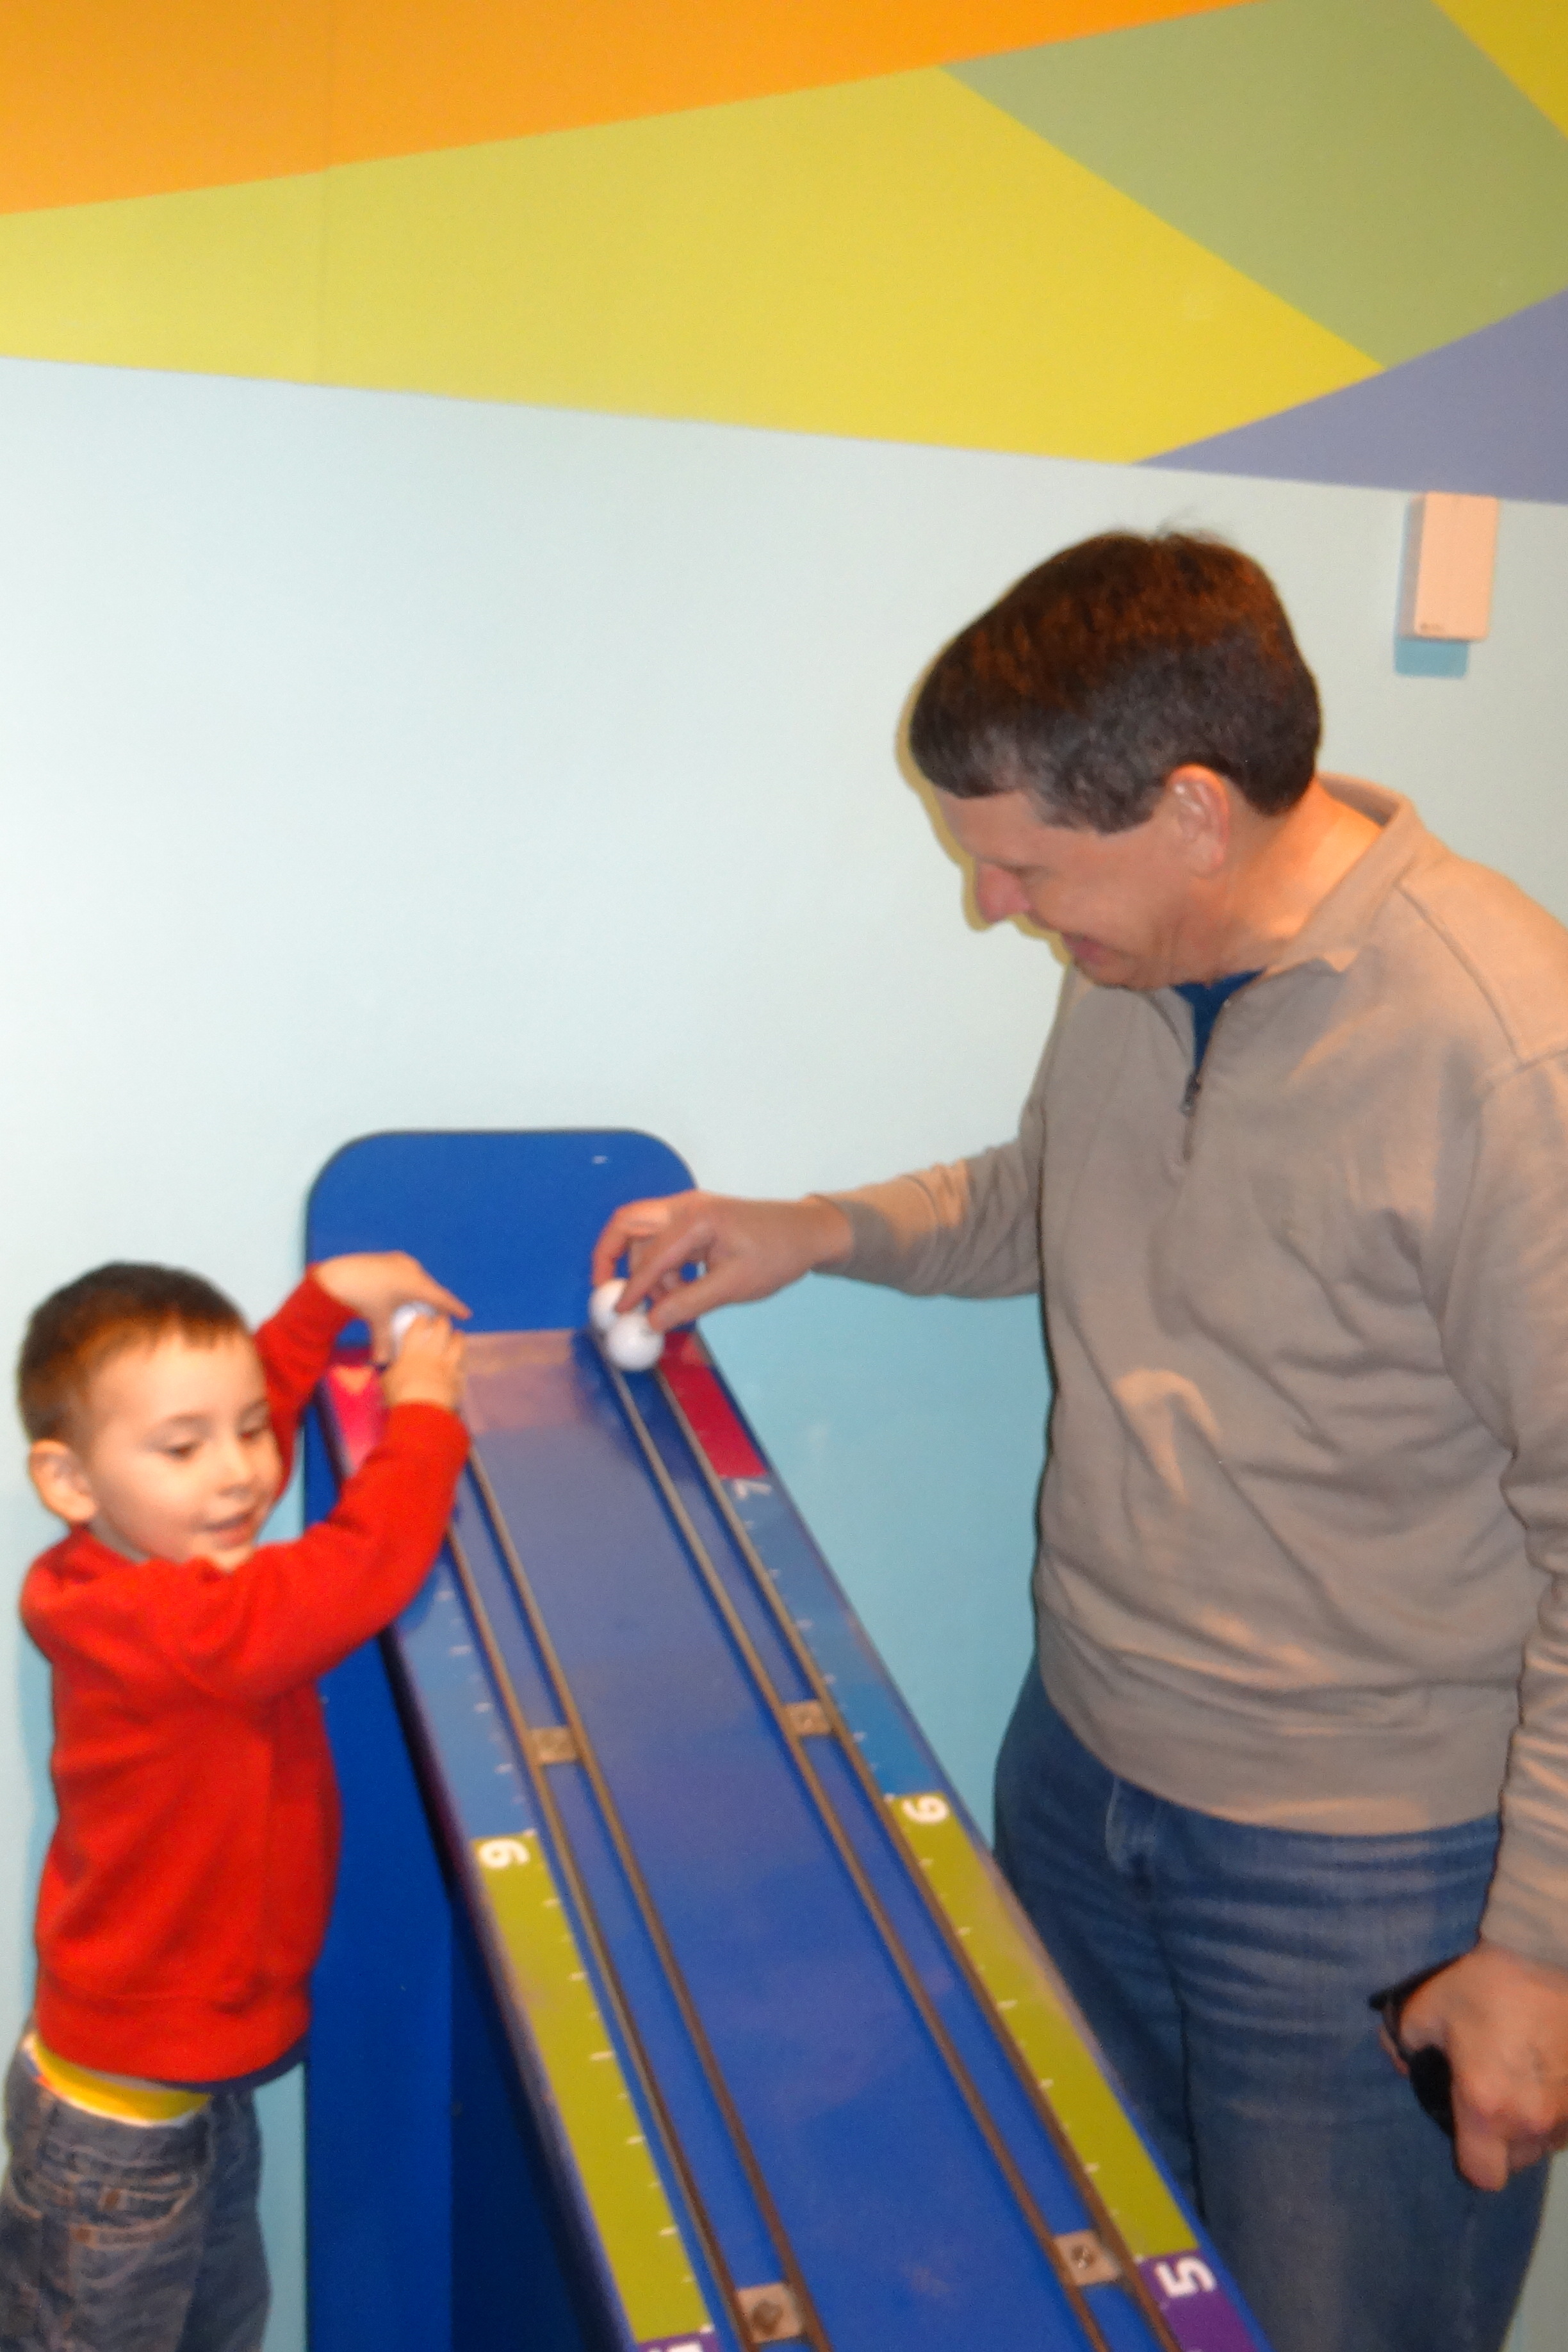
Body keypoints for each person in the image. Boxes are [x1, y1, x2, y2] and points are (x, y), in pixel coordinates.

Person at [591, 532, 1568, 2352]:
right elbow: (1057, 1196)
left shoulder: (1509, 1053)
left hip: (1365, 1873)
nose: (994, 907)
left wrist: (1540, 1945)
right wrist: (820, 1229)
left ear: (1193, 810)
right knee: (1100, 2302)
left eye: (1023, 864)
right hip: (1083, 1769)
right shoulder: (1136, 954)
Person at [0, 1250, 470, 2352]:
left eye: (252, 1430)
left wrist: (320, 1306)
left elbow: (227, 1433)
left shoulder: (140, 1573)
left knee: (223, 2329)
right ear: (69, 1484)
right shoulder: (180, 1627)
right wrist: (423, 1418)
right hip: (117, 2138)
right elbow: (361, 1568)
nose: (240, 1474)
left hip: (191, 2096)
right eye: (183, 1448)